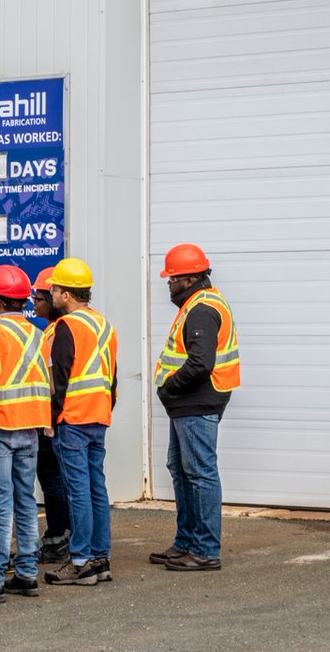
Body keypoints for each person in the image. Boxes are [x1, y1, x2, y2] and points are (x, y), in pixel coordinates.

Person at [152, 244, 240, 572]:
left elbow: (200, 364)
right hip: (188, 403)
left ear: (187, 279)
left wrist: (169, 388)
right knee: (180, 468)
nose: (169, 286)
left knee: (200, 473)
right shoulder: (198, 303)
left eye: (171, 280)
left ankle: (204, 549)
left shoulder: (202, 308)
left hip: (196, 400)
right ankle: (186, 542)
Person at [0, 265, 51, 603]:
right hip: (29, 426)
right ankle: (27, 573)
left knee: (0, 503)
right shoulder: (37, 333)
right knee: (26, 500)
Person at [44, 257, 118, 588]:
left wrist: (50, 418)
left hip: (72, 418)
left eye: (54, 289)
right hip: (98, 415)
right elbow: (112, 377)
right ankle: (100, 559)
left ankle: (80, 561)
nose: (52, 294)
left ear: (66, 294)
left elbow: (58, 378)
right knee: (95, 488)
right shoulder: (104, 325)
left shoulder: (67, 327)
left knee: (78, 491)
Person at [31, 265, 70, 563]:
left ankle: (59, 537)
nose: (35, 303)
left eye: (39, 297)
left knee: (54, 480)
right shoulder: (52, 331)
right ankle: (62, 534)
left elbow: (56, 381)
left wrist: (50, 420)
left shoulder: (59, 332)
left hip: (54, 420)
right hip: (57, 418)